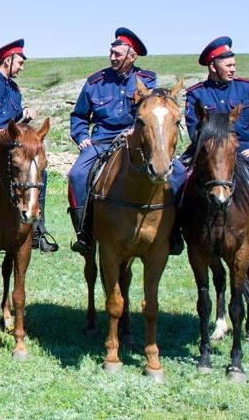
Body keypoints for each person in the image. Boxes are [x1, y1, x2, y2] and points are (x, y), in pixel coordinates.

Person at [66, 28, 185, 255]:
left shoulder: (148, 81)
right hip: (101, 142)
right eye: (111, 53)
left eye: (118, 54)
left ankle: (174, 231)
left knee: (179, 173)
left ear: (132, 56)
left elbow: (152, 113)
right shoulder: (95, 82)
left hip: (139, 140)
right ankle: (84, 232)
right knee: (77, 175)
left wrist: (134, 131)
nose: (112, 57)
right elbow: (79, 116)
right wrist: (82, 138)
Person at [185, 36, 249, 265]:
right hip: (207, 154)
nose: (233, 69)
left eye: (234, 64)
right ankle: (176, 234)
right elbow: (193, 129)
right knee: (177, 180)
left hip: (244, 151)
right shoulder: (196, 93)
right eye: (228, 65)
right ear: (213, 66)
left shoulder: (247, 88)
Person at [0, 39, 58, 253]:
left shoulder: (14, 89)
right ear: (7, 61)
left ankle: (37, 228)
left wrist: (24, 114)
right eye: (20, 63)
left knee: (37, 174)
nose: (22, 67)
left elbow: (13, 118)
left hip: (11, 147)